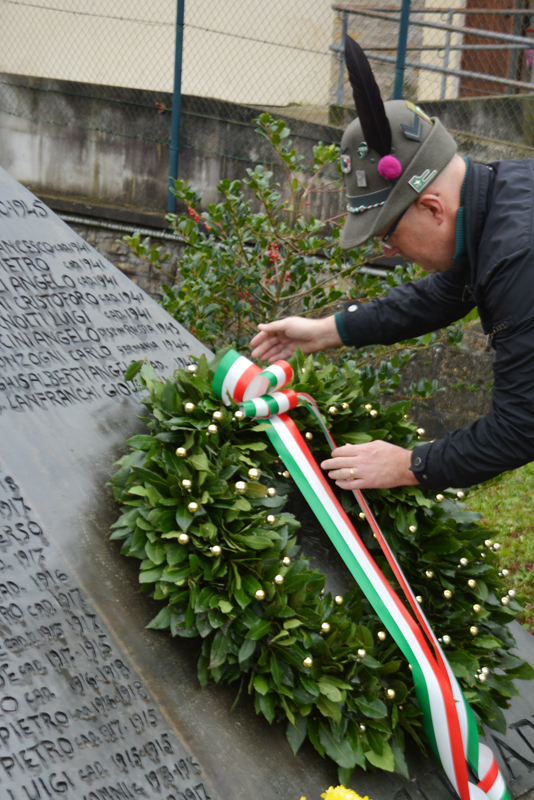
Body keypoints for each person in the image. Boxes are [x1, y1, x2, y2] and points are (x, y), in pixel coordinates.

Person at [251, 37, 534, 493]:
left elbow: (522, 427)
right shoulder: (502, 196)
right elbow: (447, 293)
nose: (389, 251)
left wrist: (410, 466)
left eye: (388, 233)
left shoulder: (521, 260)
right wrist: (328, 331)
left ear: (432, 208)